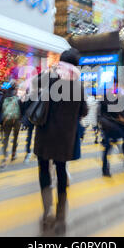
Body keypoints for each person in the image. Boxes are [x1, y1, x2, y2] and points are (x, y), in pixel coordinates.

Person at [33, 48, 88, 235]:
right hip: (65, 137)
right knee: (61, 170)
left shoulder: (50, 78)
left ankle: (46, 210)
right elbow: (84, 112)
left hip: (44, 134)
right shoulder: (78, 86)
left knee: (43, 169)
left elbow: (33, 86)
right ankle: (61, 214)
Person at [0, 83, 22, 169]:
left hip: (6, 120)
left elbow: (0, 108)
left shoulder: (4, 97)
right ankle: (13, 154)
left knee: (6, 137)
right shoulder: (17, 98)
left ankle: (5, 155)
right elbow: (21, 108)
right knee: (15, 137)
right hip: (16, 119)